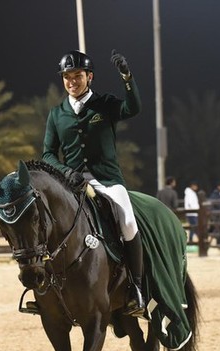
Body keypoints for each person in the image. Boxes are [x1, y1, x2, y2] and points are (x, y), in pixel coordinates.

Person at [42, 48, 144, 317]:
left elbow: (133, 108)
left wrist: (127, 77)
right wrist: (65, 172)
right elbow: (48, 154)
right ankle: (44, 290)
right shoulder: (57, 114)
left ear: (90, 77)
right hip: (71, 183)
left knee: (128, 223)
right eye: (67, 76)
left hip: (107, 180)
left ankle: (136, 288)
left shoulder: (105, 104)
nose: (71, 81)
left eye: (77, 75)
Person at [184, 179, 200, 243]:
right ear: (192, 186)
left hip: (193, 213)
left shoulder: (191, 193)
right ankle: (192, 240)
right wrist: (195, 210)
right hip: (192, 213)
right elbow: (190, 203)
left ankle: (191, 239)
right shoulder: (190, 193)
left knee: (193, 227)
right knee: (194, 227)